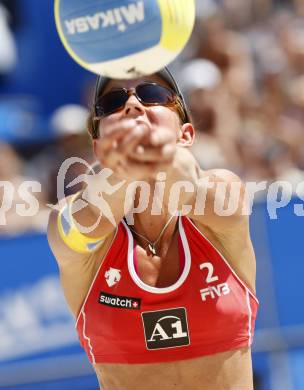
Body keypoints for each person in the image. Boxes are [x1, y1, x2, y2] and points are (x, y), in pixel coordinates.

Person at [47, 67, 258, 390]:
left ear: (186, 134)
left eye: (152, 95)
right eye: (113, 102)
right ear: (98, 146)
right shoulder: (73, 217)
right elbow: (90, 218)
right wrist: (128, 163)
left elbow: (191, 186)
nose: (133, 105)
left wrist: (152, 153)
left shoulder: (223, 193)